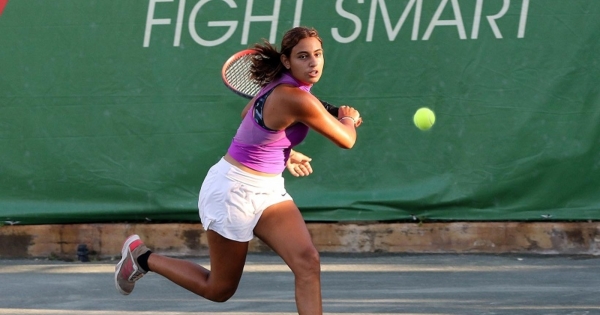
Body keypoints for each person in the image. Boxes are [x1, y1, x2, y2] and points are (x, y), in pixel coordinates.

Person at [114, 26, 362, 315]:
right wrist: (347, 118)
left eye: (317, 55)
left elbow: (249, 116)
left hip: (268, 191)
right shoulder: (297, 98)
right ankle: (142, 258)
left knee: (308, 263)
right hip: (232, 192)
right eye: (303, 56)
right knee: (218, 290)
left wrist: (286, 153)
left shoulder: (279, 87)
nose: (313, 63)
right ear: (287, 61)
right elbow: (346, 140)